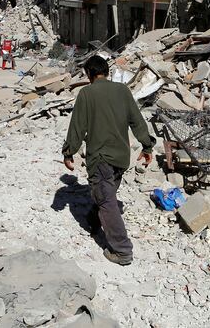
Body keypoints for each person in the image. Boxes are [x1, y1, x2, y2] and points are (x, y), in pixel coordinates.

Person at [62, 56, 156, 266]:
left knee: (106, 199)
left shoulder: (86, 93)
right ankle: (93, 221)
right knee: (107, 192)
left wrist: (68, 153)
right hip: (122, 157)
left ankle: (122, 250)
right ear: (106, 71)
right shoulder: (123, 91)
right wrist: (147, 146)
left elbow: (77, 127)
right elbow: (137, 120)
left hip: (101, 157)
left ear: (89, 74)